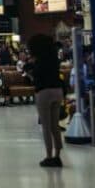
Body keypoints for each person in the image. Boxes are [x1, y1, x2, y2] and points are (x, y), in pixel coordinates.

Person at [30, 33, 65, 168]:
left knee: (46, 126)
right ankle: (58, 155)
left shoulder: (39, 60)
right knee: (55, 126)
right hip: (58, 91)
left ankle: (48, 156)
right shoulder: (54, 59)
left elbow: (37, 77)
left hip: (44, 92)